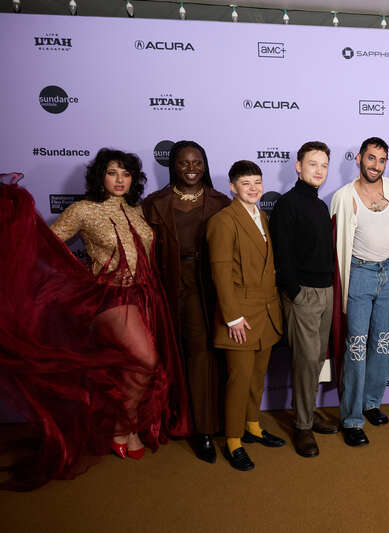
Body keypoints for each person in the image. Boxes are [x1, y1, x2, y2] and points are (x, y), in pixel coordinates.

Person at [0, 149, 190, 489]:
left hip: (147, 297)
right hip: (110, 297)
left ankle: (128, 427)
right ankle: (122, 425)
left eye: (126, 174)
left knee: (136, 367)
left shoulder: (136, 211)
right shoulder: (84, 210)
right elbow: (46, 243)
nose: (119, 180)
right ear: (100, 176)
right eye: (112, 173)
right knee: (145, 361)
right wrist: (14, 211)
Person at [141, 140, 230, 464]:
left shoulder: (220, 202)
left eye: (197, 163)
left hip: (204, 286)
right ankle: (170, 420)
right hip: (166, 284)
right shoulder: (154, 203)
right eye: (184, 163)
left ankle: (204, 429)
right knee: (166, 355)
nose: (191, 169)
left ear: (205, 165)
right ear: (172, 167)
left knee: (201, 356)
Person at [206, 160, 285, 471]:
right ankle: (233, 440)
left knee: (256, 377)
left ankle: (253, 426)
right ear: (232, 187)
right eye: (246, 183)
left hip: (266, 310)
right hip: (240, 314)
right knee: (238, 380)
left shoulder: (262, 216)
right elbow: (220, 272)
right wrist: (232, 316)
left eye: (257, 182)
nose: (253, 188)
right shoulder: (223, 221)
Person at [269, 141, 339, 458]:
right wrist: (295, 293)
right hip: (303, 295)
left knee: (316, 360)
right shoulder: (287, 204)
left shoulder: (320, 204)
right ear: (298, 166)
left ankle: (308, 413)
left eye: (324, 165)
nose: (319, 170)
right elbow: (281, 255)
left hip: (325, 292)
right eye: (313, 164)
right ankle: (302, 426)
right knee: (305, 362)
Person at [330, 137, 389, 447]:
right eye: (371, 158)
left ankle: (372, 402)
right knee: (357, 346)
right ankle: (352, 417)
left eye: (382, 160)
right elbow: (336, 246)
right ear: (359, 158)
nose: (376, 165)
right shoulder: (344, 196)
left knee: (384, 343)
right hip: (359, 272)